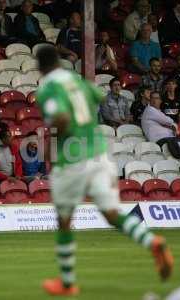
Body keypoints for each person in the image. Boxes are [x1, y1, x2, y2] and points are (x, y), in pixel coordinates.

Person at [35, 46, 172, 296]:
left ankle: (67, 284)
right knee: (110, 213)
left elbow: (62, 117)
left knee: (64, 222)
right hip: (99, 153)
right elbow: (97, 99)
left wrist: (50, 147)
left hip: (72, 159)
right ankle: (152, 241)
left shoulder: (47, 88)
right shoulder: (76, 80)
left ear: (40, 67)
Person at [141, 91, 180, 159]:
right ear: (150, 100)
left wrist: (171, 125)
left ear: (160, 100)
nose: (154, 100)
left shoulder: (159, 111)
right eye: (153, 98)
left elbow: (170, 123)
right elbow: (169, 121)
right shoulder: (150, 110)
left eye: (157, 98)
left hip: (168, 138)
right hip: (159, 140)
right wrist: (170, 125)